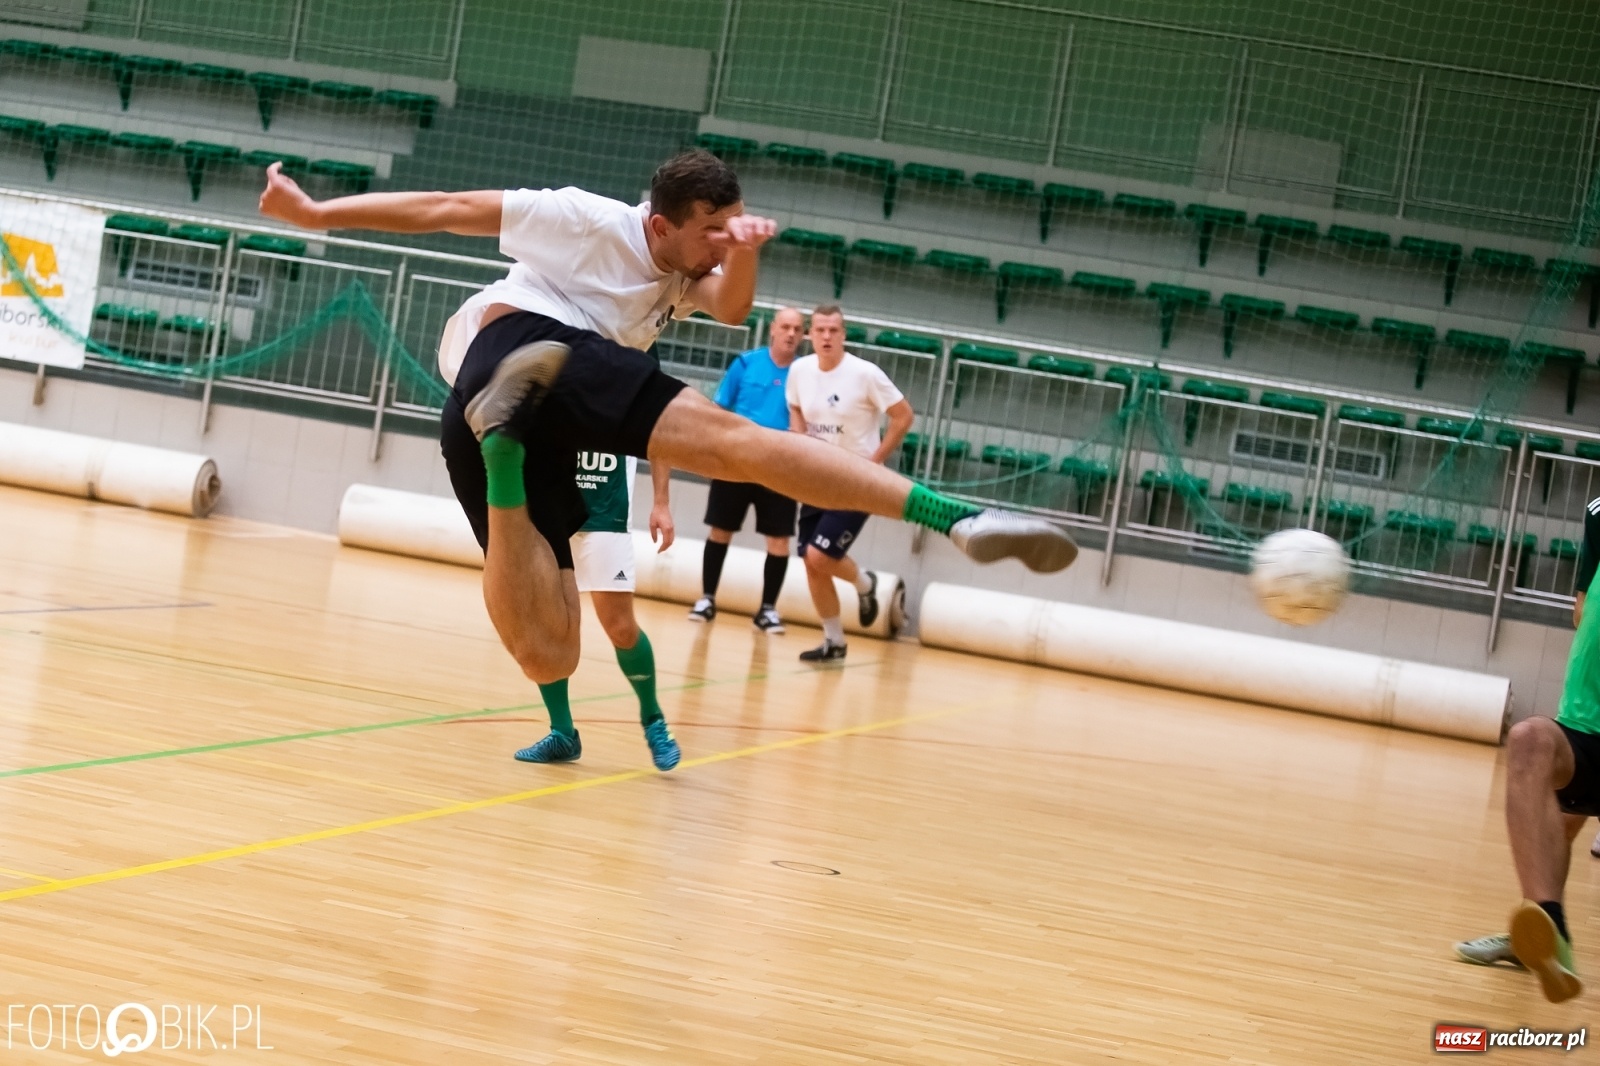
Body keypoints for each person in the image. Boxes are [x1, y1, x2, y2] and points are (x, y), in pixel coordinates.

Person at [258, 149, 1077, 768]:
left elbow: (732, 306)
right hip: (530, 345)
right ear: (660, 224)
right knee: (743, 446)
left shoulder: (683, 274)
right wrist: (318, 214)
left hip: (494, 409)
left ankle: (504, 455)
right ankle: (949, 511)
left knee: (549, 651)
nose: (722, 244)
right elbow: (448, 207)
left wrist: (742, 247)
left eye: (732, 227)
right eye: (712, 231)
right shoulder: (584, 218)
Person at [1453, 496, 1600, 1002]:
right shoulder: (1599, 512)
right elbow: (1582, 607)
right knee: (1530, 743)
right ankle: (1545, 931)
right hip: (1585, 722)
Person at [513, 450, 679, 767]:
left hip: (606, 513)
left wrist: (661, 502)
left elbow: (660, 438)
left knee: (621, 627)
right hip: (550, 507)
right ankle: (562, 733)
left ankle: (653, 719)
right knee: (548, 624)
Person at [785, 305, 914, 663]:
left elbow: (903, 416)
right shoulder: (800, 370)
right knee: (811, 563)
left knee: (820, 555)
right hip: (816, 477)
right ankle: (835, 641)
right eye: (820, 330)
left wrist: (874, 461)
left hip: (856, 481)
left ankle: (865, 584)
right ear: (810, 335)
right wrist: (799, 440)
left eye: (833, 330)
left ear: (843, 335)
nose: (826, 337)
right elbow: (795, 407)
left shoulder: (865, 374)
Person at [689, 306, 805, 633]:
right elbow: (718, 409)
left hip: (780, 467)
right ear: (773, 329)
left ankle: (767, 610)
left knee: (779, 541)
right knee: (720, 530)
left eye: (797, 328)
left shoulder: (805, 374)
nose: (791, 334)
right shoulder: (745, 363)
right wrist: (711, 453)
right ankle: (707, 599)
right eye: (785, 327)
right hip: (736, 463)